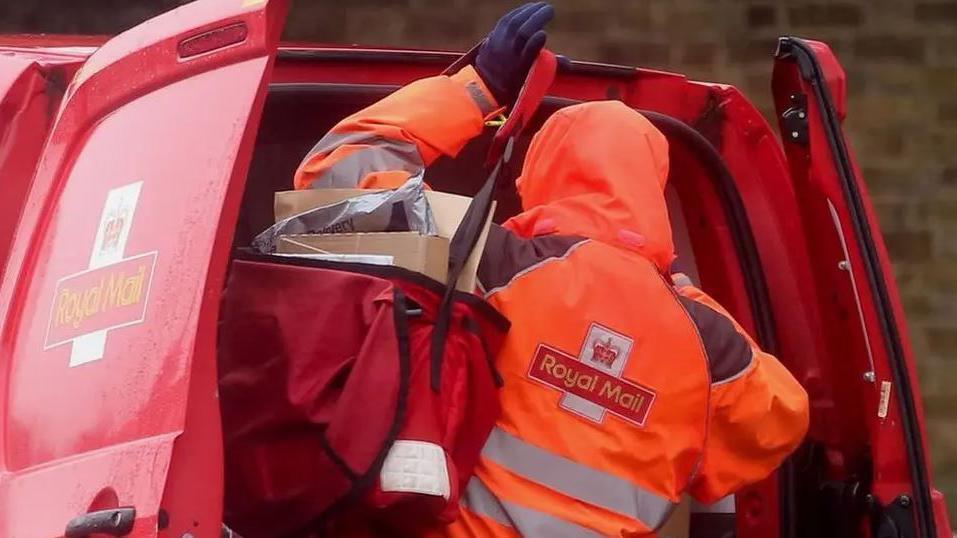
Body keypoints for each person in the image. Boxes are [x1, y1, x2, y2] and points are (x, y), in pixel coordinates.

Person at [294, 3, 810, 536]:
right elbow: (780, 419)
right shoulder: (707, 341)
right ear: (650, 187)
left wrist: (478, 88)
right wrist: (669, 288)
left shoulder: (487, 261)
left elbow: (333, 188)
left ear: (538, 177)